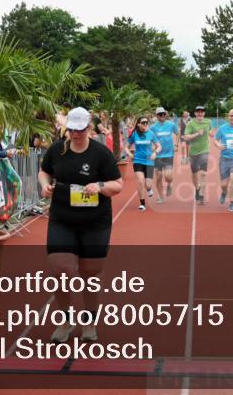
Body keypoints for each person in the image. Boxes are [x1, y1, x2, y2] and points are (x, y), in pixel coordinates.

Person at [38, 107, 123, 343]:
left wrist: (100, 186)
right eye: (72, 129)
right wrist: (45, 185)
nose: (76, 134)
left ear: (89, 128)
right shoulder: (57, 150)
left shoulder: (101, 153)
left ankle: (89, 321)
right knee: (60, 269)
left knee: (90, 274)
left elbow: (118, 185)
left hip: (95, 222)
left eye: (81, 129)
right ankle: (65, 319)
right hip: (62, 219)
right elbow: (43, 172)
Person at [126, 116, 161, 210]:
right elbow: (126, 147)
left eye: (146, 122)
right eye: (143, 122)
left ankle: (149, 189)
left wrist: (155, 153)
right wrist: (129, 153)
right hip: (138, 161)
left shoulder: (151, 134)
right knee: (141, 182)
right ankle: (142, 204)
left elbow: (159, 146)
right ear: (138, 124)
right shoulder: (134, 134)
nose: (145, 124)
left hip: (149, 161)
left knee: (148, 185)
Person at [182, 106, 211, 204]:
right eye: (198, 112)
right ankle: (197, 188)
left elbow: (209, 130)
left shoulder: (208, 122)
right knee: (194, 173)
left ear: (204, 113)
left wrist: (210, 134)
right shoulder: (191, 124)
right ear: (195, 113)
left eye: (202, 112)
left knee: (203, 173)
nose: (200, 114)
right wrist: (197, 134)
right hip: (193, 152)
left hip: (205, 150)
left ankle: (202, 195)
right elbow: (185, 137)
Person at [150, 107, 179, 200]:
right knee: (158, 176)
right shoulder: (153, 127)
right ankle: (160, 196)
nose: (162, 116)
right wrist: (151, 148)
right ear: (157, 116)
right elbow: (149, 138)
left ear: (165, 114)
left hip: (169, 154)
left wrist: (176, 144)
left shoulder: (171, 124)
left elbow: (178, 133)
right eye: (160, 114)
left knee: (168, 176)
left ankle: (169, 184)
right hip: (158, 155)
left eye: (163, 114)